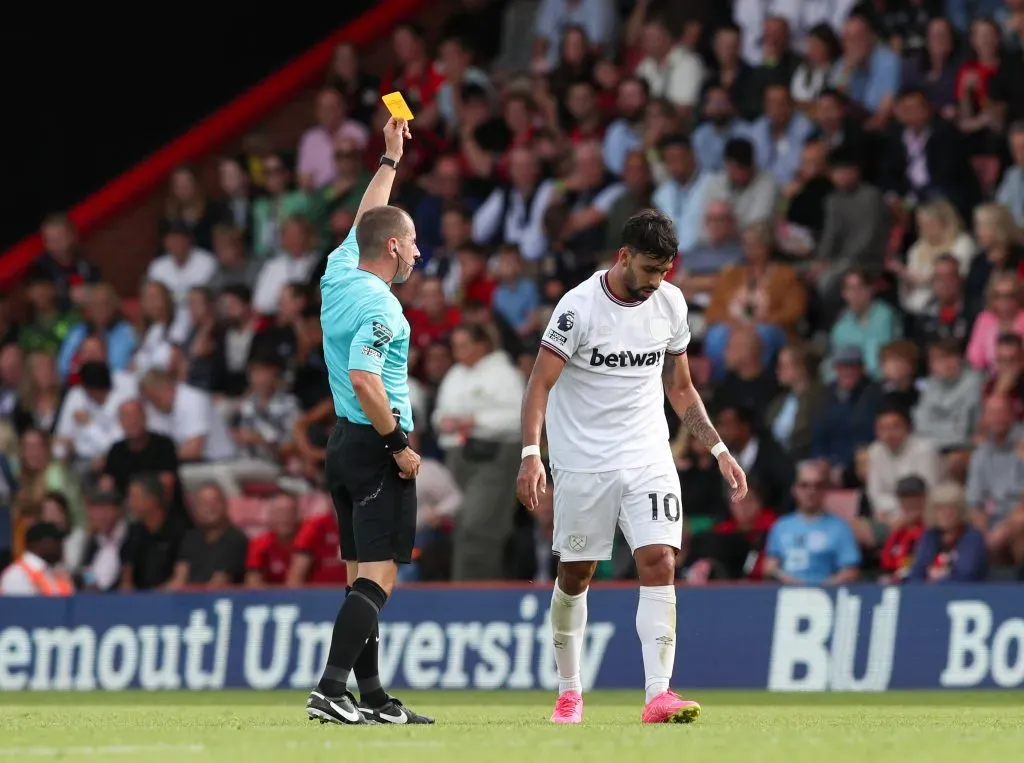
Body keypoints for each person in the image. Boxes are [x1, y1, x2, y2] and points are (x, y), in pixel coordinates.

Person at [516, 208, 747, 725]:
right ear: (624, 256)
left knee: (660, 559)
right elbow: (539, 384)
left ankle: (658, 694)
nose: (654, 282)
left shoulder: (670, 304)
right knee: (577, 573)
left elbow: (680, 387)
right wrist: (532, 455)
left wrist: (719, 450)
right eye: (647, 270)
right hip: (583, 461)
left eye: (663, 271)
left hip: (648, 454)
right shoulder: (577, 309)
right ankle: (569, 692)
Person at [305, 117, 432, 726]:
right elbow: (365, 379)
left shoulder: (337, 276)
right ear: (391, 249)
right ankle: (330, 689)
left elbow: (366, 222)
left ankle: (373, 697)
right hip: (376, 445)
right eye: (411, 244)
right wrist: (400, 444)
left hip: (341, 445)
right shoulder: (385, 307)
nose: (417, 252)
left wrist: (389, 159)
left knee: (359, 577)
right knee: (379, 580)